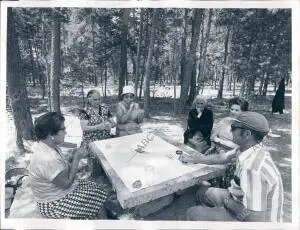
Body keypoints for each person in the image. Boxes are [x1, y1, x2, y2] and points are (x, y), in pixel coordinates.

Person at [185, 112, 284, 222]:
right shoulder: (248, 148)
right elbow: (222, 157)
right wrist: (196, 159)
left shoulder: (252, 169)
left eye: (233, 127)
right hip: (239, 200)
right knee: (203, 193)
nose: (230, 130)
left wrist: (227, 202)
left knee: (192, 213)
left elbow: (256, 219)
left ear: (247, 134)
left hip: (253, 220)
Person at [28, 112, 108, 219]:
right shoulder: (47, 158)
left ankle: (101, 216)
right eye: (63, 129)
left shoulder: (47, 145)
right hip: (53, 204)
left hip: (57, 192)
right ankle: (104, 222)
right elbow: (66, 184)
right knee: (96, 196)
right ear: (51, 135)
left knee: (95, 187)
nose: (66, 132)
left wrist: (73, 156)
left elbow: (62, 170)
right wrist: (76, 158)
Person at [209, 97, 249, 188]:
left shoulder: (245, 127)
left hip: (233, 156)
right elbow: (212, 137)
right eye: (232, 109)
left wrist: (219, 141)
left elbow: (238, 147)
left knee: (227, 172)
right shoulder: (223, 121)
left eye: (237, 110)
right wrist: (219, 149)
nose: (233, 112)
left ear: (243, 112)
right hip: (218, 150)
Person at [79, 89, 116, 176]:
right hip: (91, 141)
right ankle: (95, 170)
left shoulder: (105, 109)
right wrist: (98, 127)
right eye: (95, 99)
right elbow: (84, 128)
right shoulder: (84, 112)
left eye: (99, 99)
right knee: (96, 169)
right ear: (89, 99)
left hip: (105, 138)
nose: (97, 101)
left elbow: (113, 122)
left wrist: (111, 124)